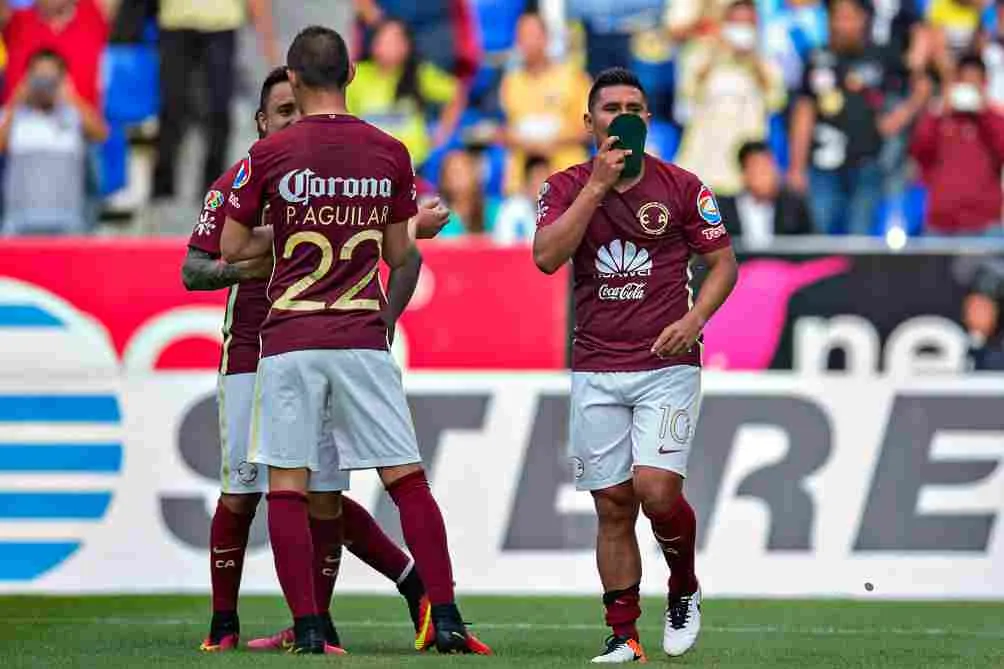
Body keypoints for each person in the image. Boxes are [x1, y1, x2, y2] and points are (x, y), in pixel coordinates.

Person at [219, 26, 492, 655]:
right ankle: (445, 615)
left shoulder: (272, 154)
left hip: (289, 334)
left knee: (288, 487)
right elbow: (401, 253)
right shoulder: (390, 150)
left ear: (292, 79)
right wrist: (383, 316)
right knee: (406, 480)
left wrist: (284, 233)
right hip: (360, 333)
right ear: (350, 76)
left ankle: (311, 628)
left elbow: (231, 248)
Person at [181, 66, 441, 654]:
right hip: (253, 350)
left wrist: (399, 248)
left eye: (299, 110)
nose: (294, 122)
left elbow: (396, 250)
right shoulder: (237, 182)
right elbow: (194, 268)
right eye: (282, 112)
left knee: (321, 492)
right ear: (261, 121)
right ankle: (223, 625)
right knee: (244, 489)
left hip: (316, 346)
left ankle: (316, 624)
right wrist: (269, 247)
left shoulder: (337, 175)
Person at [533, 67, 738, 663]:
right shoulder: (566, 186)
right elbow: (546, 258)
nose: (622, 115)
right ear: (589, 121)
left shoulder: (682, 186)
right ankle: (624, 634)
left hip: (666, 362)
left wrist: (694, 321)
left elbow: (724, 265)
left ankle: (683, 586)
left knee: (656, 489)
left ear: (648, 119)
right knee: (613, 503)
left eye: (634, 107)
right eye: (610, 107)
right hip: (596, 363)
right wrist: (597, 187)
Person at [787, 0, 930, 235]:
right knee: (822, 238)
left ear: (864, 19)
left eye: (850, 17)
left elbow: (921, 85)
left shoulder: (882, 57)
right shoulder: (816, 59)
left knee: (859, 241)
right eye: (838, 18)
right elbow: (804, 113)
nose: (844, 25)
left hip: (867, 167)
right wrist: (796, 167)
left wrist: (899, 117)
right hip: (823, 168)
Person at [152, 0, 279, 202]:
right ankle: (162, 191)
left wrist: (267, 38)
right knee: (172, 109)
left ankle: (214, 190)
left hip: (221, 24)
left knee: (219, 110)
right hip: (175, 22)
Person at [675, 0, 786, 197]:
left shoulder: (767, 60)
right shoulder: (698, 53)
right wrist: (716, 51)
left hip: (744, 166)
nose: (741, 30)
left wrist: (754, 60)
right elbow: (687, 95)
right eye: (736, 23)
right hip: (704, 161)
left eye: (748, 24)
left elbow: (777, 101)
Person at [0, 49, 107, 235]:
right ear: (27, 78)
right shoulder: (12, 117)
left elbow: (101, 134)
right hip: (17, 224)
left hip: (68, 224)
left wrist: (71, 97)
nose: (44, 85)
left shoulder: (74, 115)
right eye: (39, 77)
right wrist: (16, 100)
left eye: (51, 78)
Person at [346, 18, 466, 168]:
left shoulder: (420, 74)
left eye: (394, 40)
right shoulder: (356, 74)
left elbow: (457, 92)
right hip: (368, 164)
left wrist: (442, 133)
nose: (386, 45)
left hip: (414, 164)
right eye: (382, 39)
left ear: (406, 46)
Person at [910, 54, 1004, 237]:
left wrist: (984, 111)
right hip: (941, 222)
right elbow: (919, 151)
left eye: (974, 83)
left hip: (984, 223)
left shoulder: (994, 118)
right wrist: (937, 112)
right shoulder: (940, 118)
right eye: (964, 82)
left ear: (984, 83)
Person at [499, 12, 591, 195]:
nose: (527, 42)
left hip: (568, 178)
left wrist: (550, 142)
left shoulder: (573, 78)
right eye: (522, 36)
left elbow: (590, 129)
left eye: (532, 35)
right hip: (520, 185)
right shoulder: (510, 83)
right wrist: (519, 140)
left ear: (546, 38)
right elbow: (503, 130)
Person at [717, 140, 813, 247]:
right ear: (744, 175)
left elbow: (811, 248)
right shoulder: (723, 211)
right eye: (759, 169)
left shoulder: (793, 208)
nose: (768, 175)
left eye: (769, 167)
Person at [493, 155, 552, 244]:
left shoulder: (559, 211)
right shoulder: (511, 208)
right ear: (526, 182)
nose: (541, 185)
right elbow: (502, 245)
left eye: (545, 179)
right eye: (536, 178)